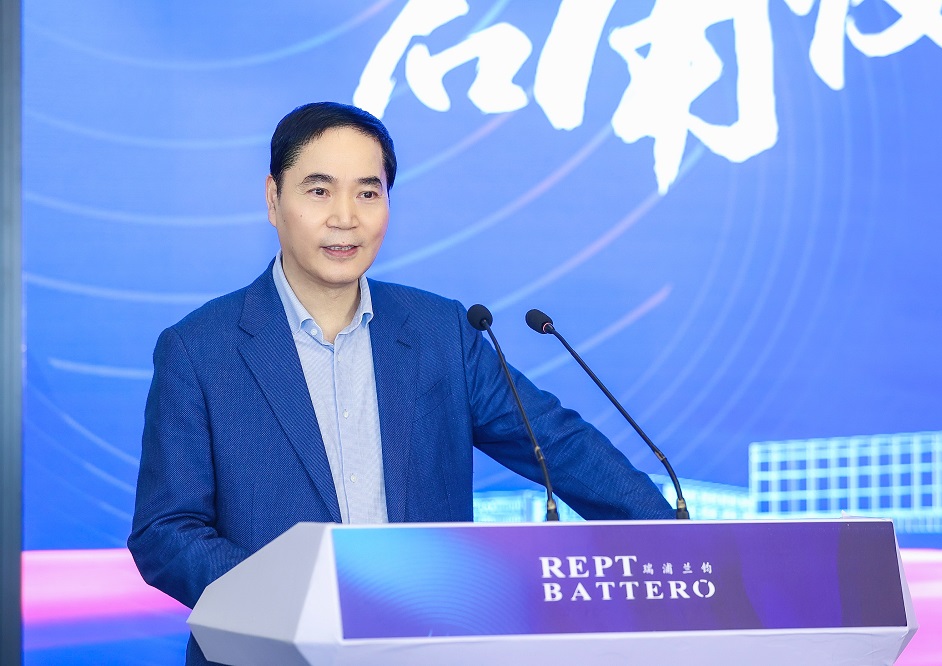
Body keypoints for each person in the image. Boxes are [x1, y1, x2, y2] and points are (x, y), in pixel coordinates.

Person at [129, 102, 674, 665]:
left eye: (368, 193)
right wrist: (300, 606)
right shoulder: (200, 349)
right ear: (273, 199)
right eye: (319, 191)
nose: (345, 217)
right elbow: (165, 532)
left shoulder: (442, 332)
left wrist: (676, 544)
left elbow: (557, 444)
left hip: (425, 648)